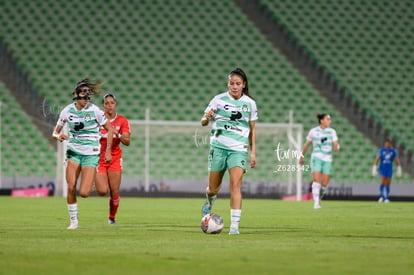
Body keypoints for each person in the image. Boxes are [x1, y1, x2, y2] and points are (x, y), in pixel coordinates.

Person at [200, 68, 258, 235]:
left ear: (244, 85)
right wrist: (207, 117)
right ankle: (210, 200)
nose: (234, 86)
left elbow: (253, 130)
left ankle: (234, 227)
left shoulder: (250, 104)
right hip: (218, 148)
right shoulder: (218, 100)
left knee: (235, 185)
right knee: (213, 188)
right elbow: (203, 122)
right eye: (231, 83)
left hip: (239, 150)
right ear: (228, 84)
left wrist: (253, 153)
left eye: (238, 83)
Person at [52, 79, 113, 229]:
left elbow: (109, 129)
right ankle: (73, 221)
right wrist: (58, 136)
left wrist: (108, 151)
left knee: (84, 193)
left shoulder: (95, 111)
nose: (85, 99)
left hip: (91, 153)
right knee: (71, 186)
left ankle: (91, 177)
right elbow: (55, 132)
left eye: (87, 97)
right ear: (75, 95)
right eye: (82, 96)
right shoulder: (67, 110)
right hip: (73, 151)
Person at [95, 93, 131, 224]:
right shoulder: (98, 120)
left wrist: (118, 133)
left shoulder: (122, 121)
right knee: (102, 190)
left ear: (116, 105)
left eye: (112, 103)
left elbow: (127, 141)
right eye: (106, 103)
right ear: (103, 105)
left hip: (115, 158)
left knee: (114, 191)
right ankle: (94, 177)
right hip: (99, 158)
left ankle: (112, 217)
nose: (109, 105)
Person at [299, 113, 339, 209]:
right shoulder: (313, 131)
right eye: (327, 119)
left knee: (324, 183)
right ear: (322, 121)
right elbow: (307, 144)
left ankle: (319, 197)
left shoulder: (332, 132)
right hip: (316, 157)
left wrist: (336, 147)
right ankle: (316, 202)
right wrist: (301, 156)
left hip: (327, 158)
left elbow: (335, 143)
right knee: (316, 180)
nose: (330, 121)